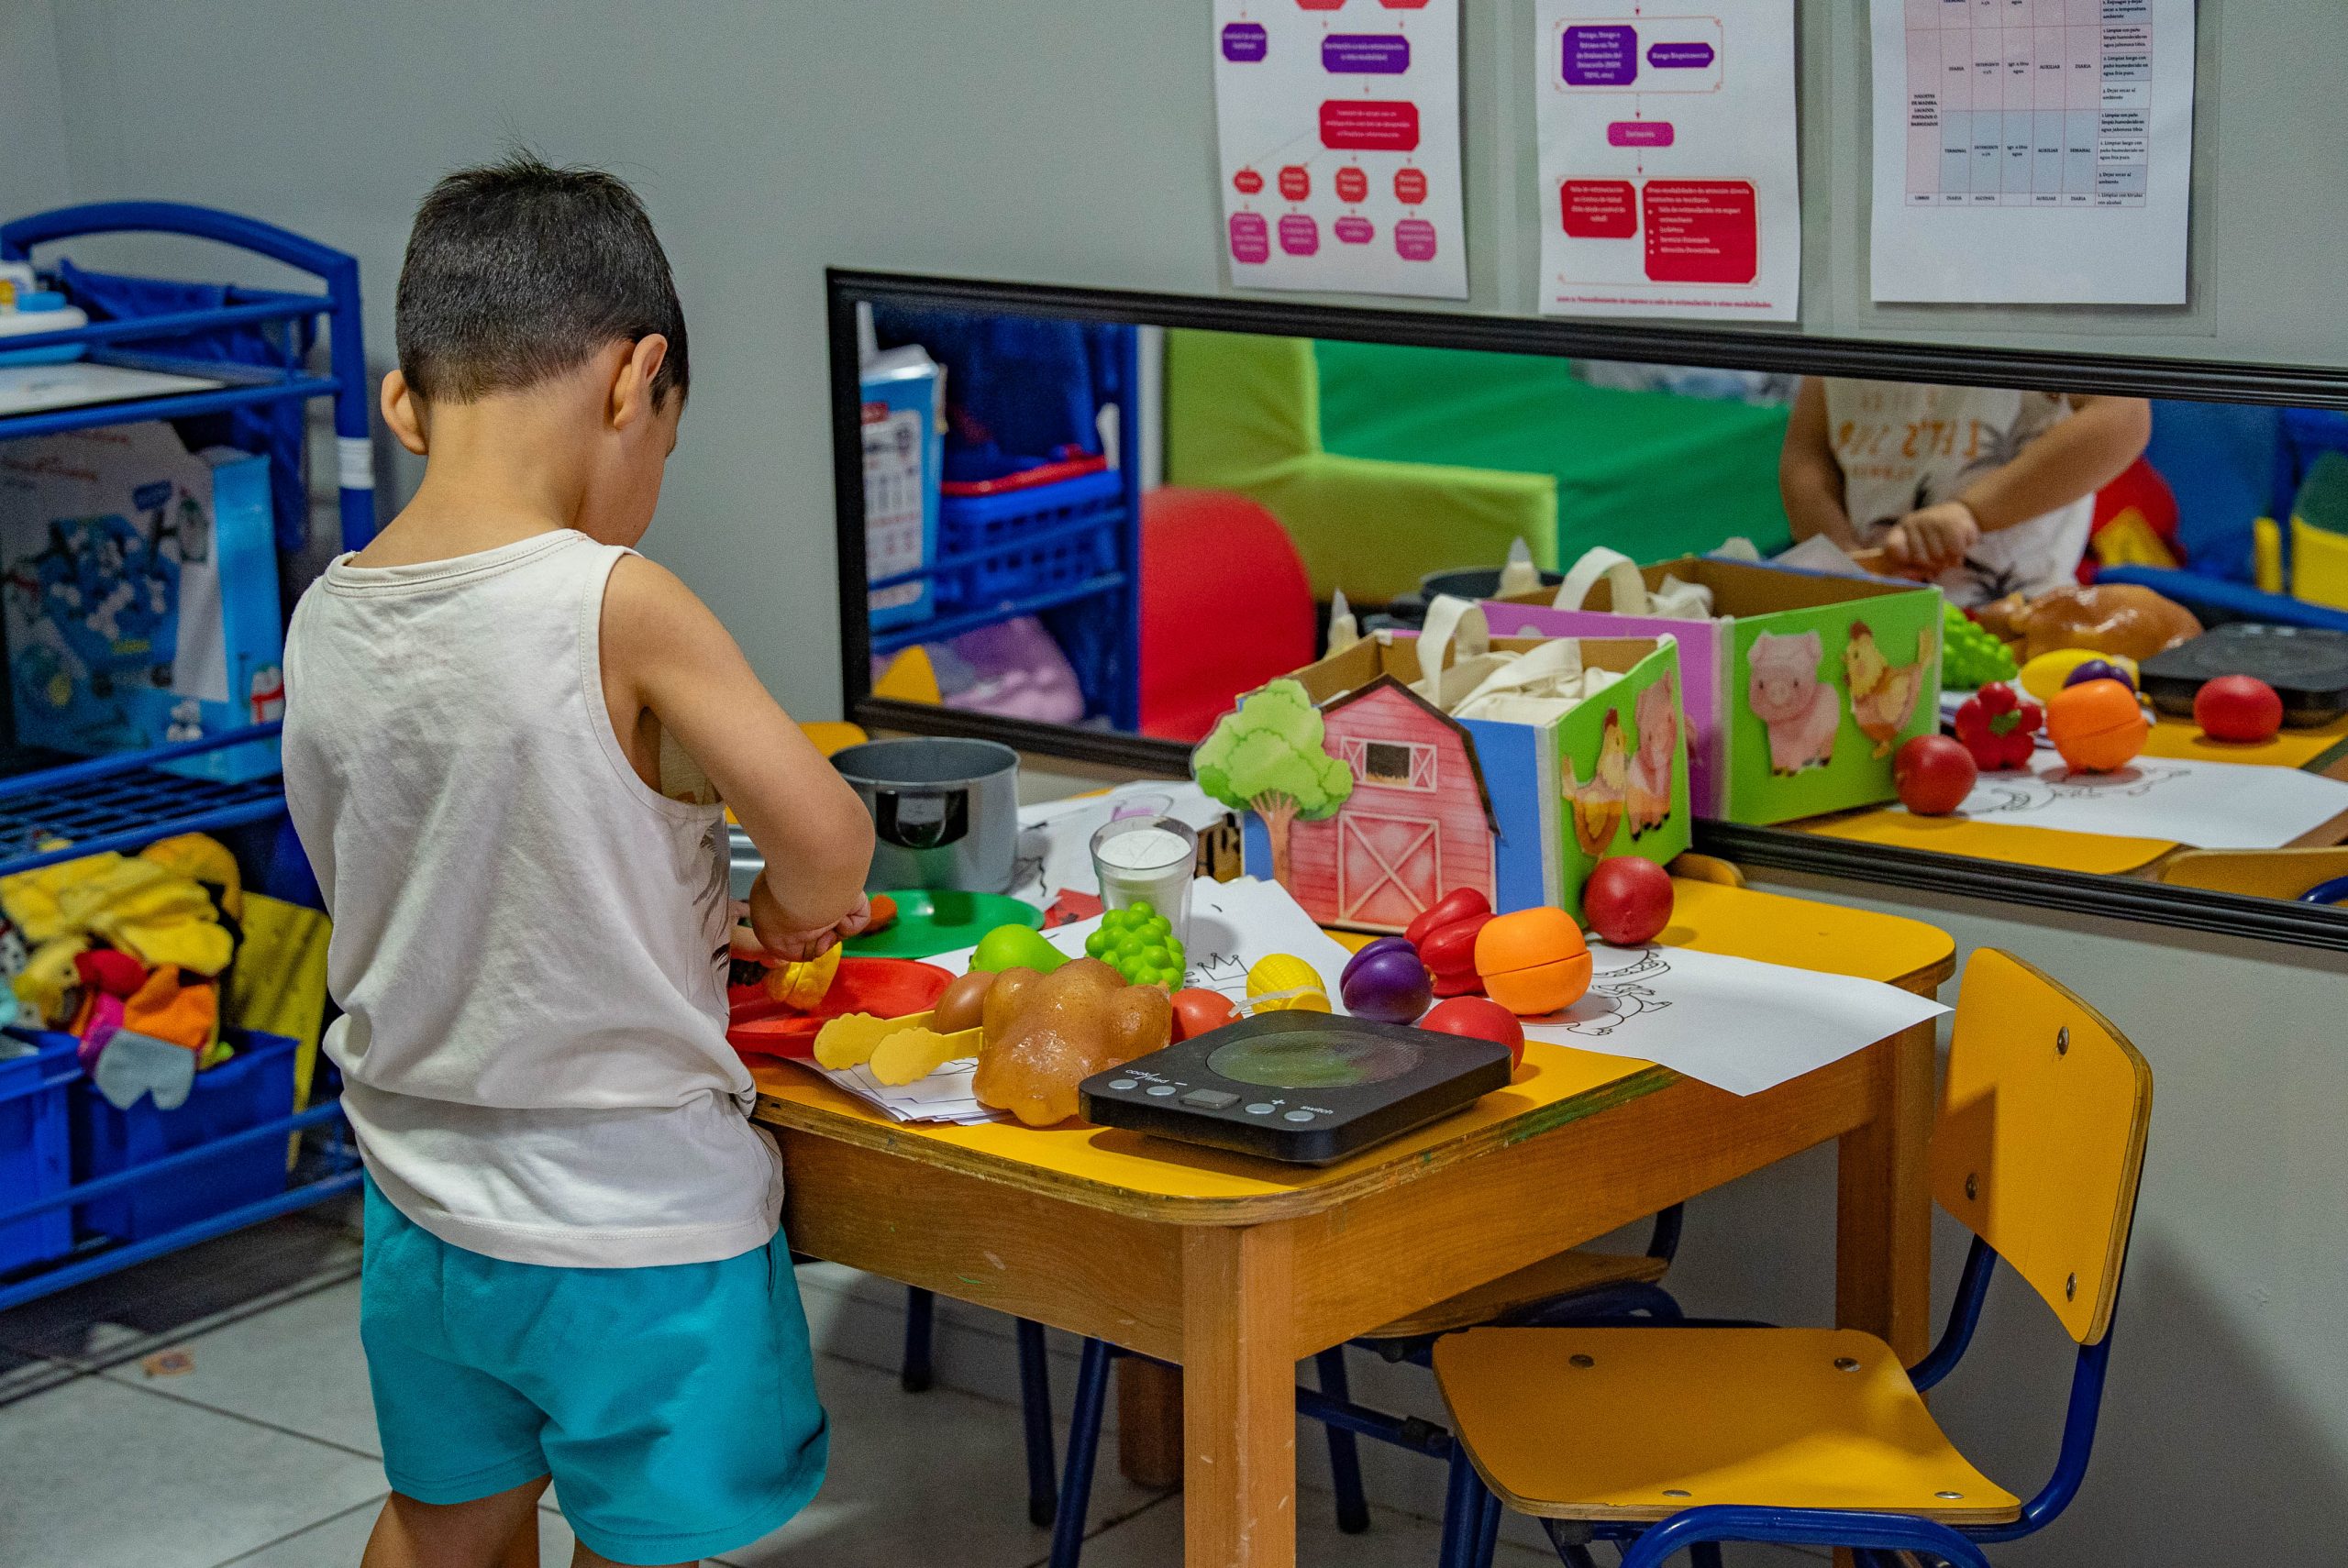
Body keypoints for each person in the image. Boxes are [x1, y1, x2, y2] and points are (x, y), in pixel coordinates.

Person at [282, 155, 874, 1568]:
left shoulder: (325, 616)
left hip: (423, 1207)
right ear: (635, 378)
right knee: (650, 1540)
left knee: (446, 1520)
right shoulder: (615, 599)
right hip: (639, 1230)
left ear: (405, 400)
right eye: (663, 442)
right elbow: (830, 834)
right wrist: (785, 915)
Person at [1778, 377, 2152, 605]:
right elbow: (1807, 453)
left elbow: (2125, 417)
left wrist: (1970, 512)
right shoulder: (1850, 299)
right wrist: (1842, 556)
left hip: (2017, 615)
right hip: (1866, 609)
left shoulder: (2039, 289)